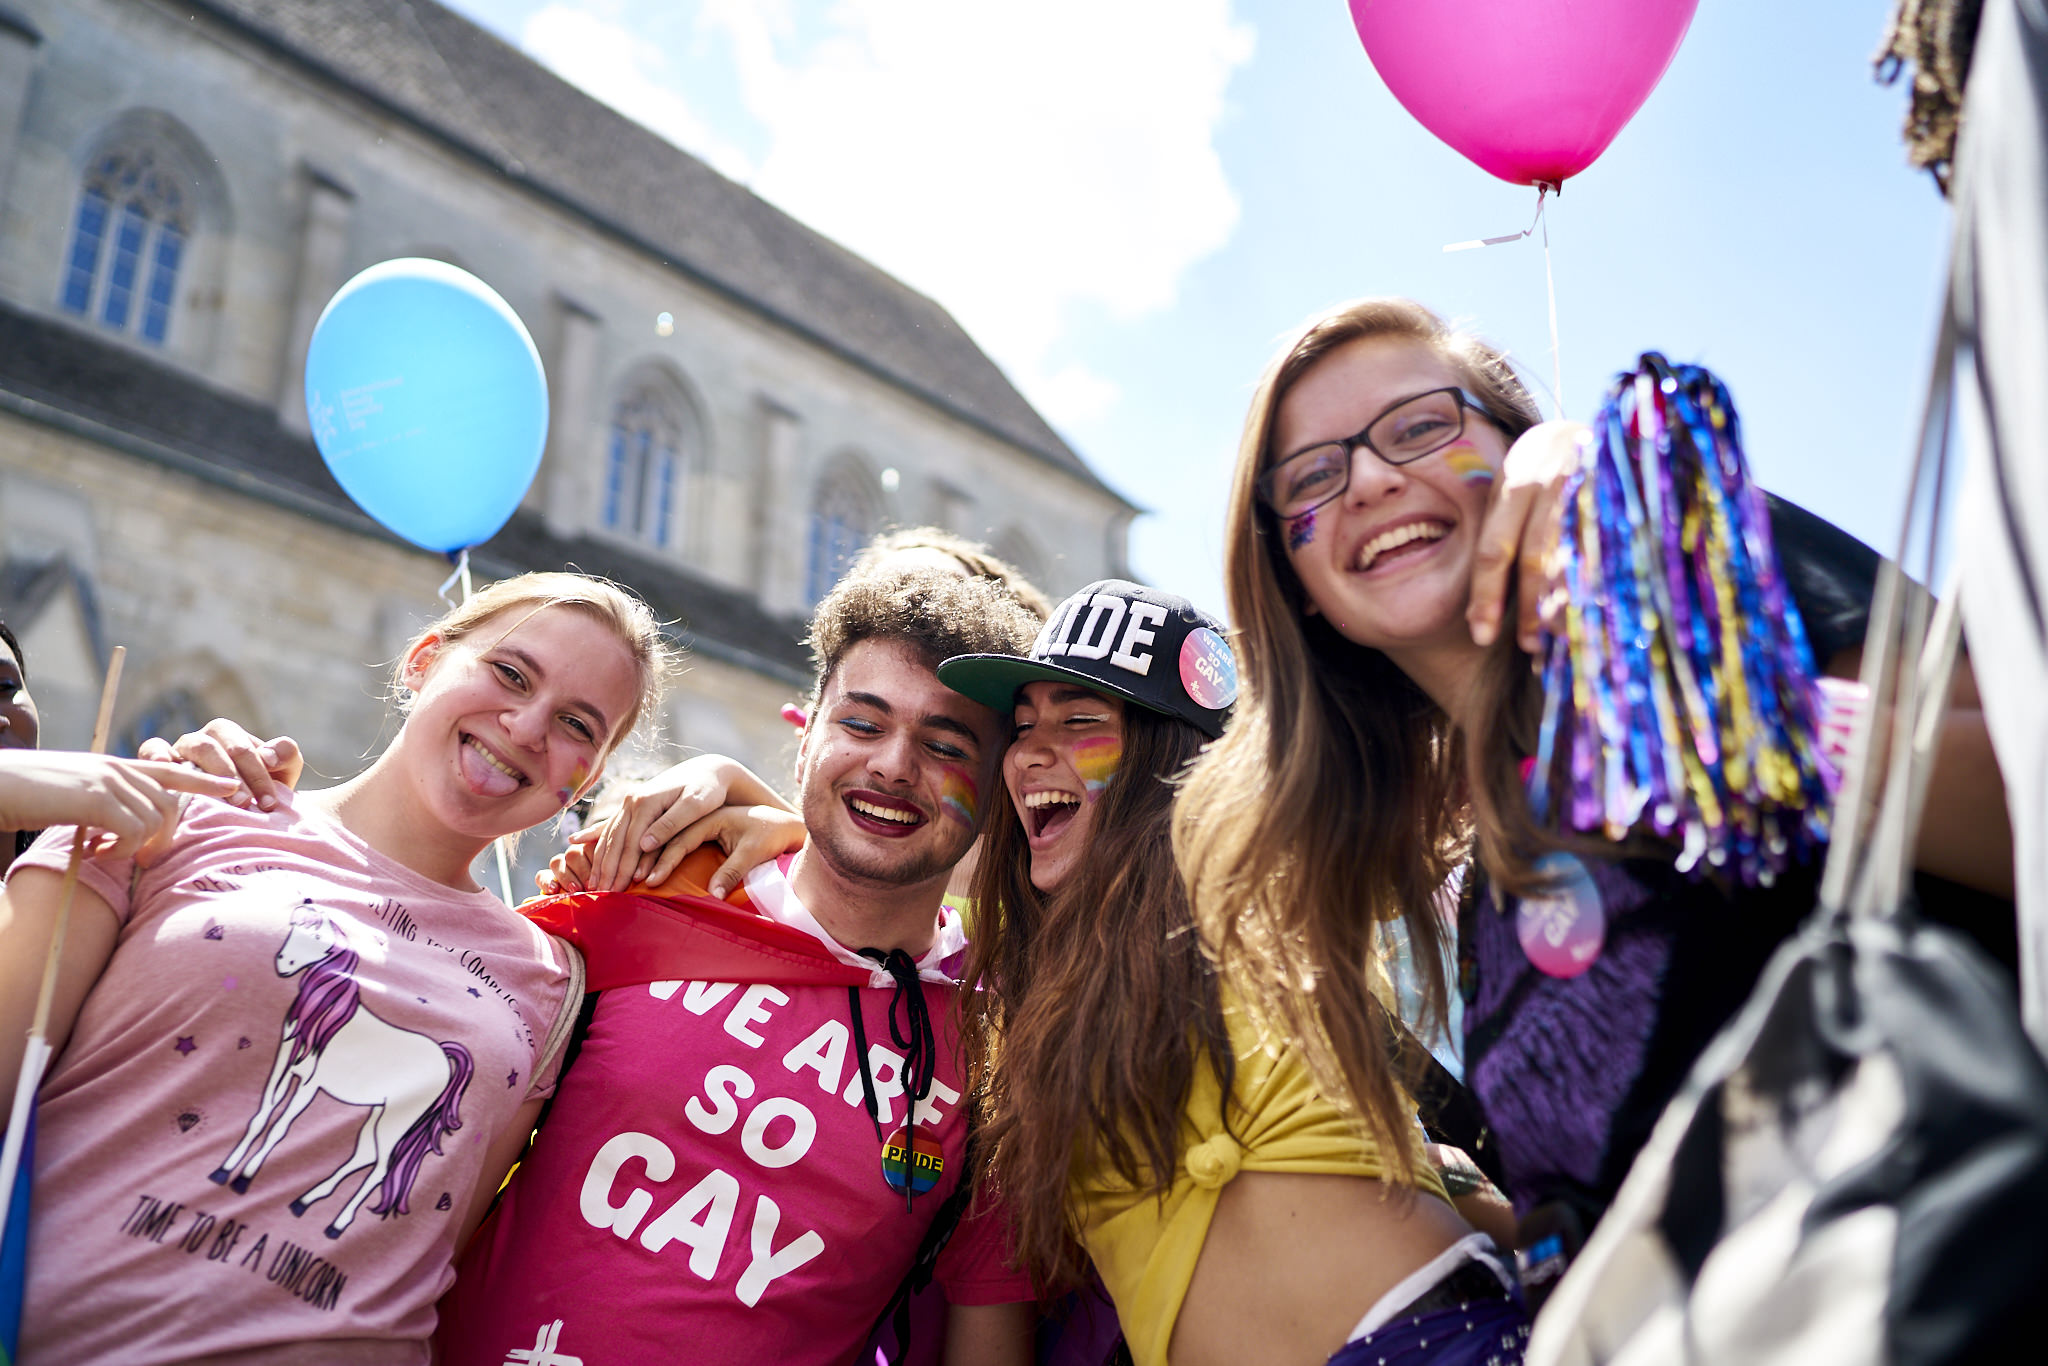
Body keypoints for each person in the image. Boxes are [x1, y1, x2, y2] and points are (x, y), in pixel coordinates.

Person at [1170, 296, 2015, 1280]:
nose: (1367, 476)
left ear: (1520, 454)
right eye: (1312, 475)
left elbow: (2020, 787)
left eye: (1419, 426)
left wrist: (1697, 711)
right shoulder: (1488, 898)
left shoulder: (1691, 568)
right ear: (1298, 575)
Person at [0, 572, 672, 1363]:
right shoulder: (175, 813)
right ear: (424, 660)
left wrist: (730, 783)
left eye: (577, 726)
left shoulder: (554, 984)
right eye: (510, 673)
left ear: (583, 781)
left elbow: (437, 1243)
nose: (527, 727)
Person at [435, 566, 1040, 1366]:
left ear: (995, 790)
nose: (895, 766)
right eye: (862, 724)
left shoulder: (1005, 1050)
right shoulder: (646, 888)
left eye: (943, 745)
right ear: (806, 740)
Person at [937, 578, 1524, 1366]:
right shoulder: (1018, 971)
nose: (1032, 750)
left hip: (1434, 1343)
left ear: (1168, 759)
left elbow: (1445, 755)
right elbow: (870, 903)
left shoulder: (1264, 892)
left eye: (1081, 722)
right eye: (1023, 724)